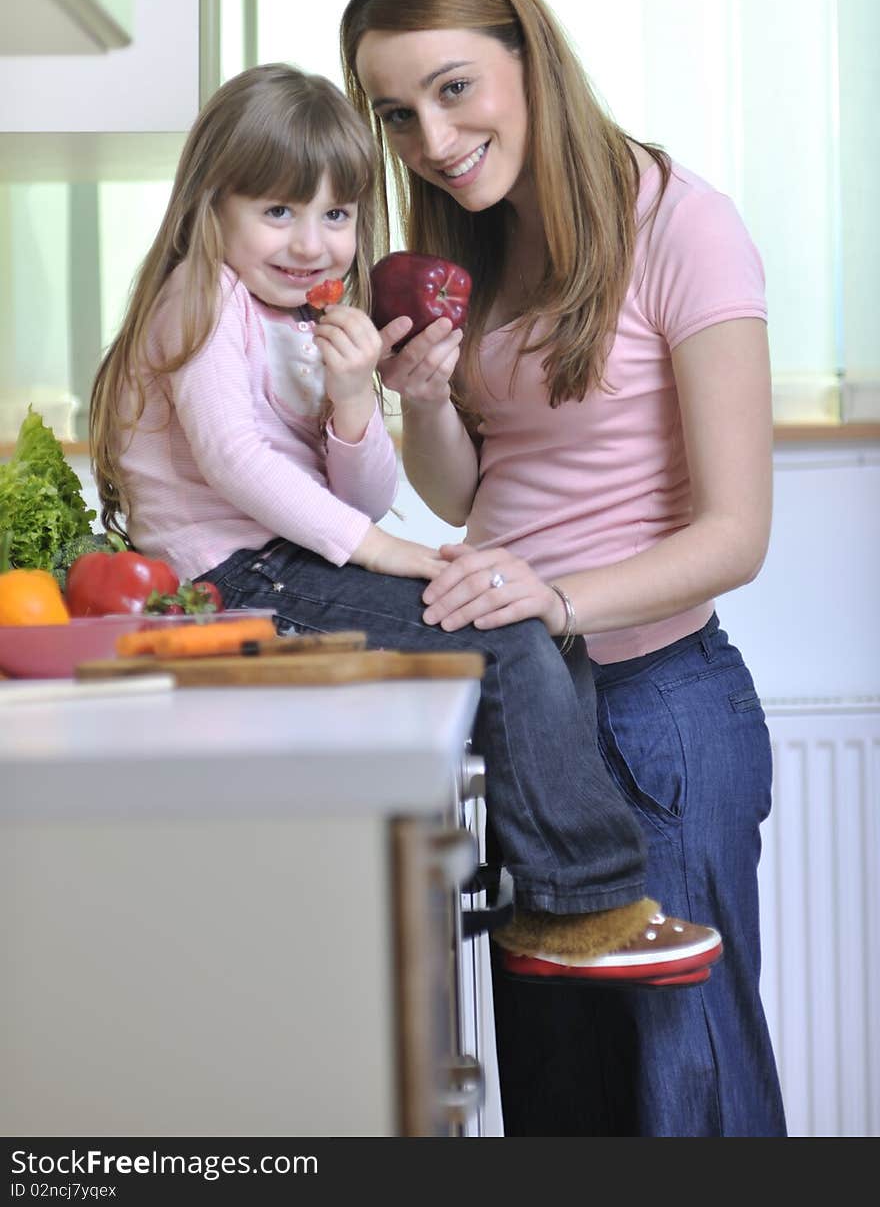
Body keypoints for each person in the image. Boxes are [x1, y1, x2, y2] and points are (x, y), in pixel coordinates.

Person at [88, 62, 719, 991]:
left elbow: (365, 494)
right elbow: (237, 463)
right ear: (209, 208)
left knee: (529, 624)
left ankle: (546, 896)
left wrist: (352, 401)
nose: (311, 243)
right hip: (224, 577)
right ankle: (583, 906)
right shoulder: (202, 295)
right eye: (277, 212)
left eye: (336, 215)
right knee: (499, 633)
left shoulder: (306, 321)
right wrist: (393, 556)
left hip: (287, 562)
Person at [339, 0, 787, 1136]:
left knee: (685, 1094)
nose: (430, 140)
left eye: (452, 90)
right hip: (533, 711)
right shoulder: (466, 249)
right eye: (396, 114)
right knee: (561, 1105)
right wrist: (423, 396)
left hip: (655, 715)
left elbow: (738, 531)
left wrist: (554, 596)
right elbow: (464, 492)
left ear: (526, 56)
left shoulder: (683, 224)